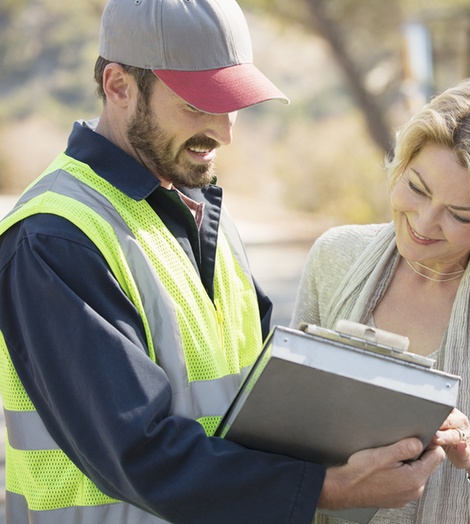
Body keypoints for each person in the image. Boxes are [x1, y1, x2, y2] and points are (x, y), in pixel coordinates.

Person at [0, 0, 445, 522]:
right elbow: (138, 449)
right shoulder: (56, 238)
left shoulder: (198, 204)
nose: (225, 133)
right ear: (118, 85)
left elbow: (251, 395)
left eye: (231, 104)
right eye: (197, 106)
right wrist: (327, 488)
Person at [292, 77, 470, 524]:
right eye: (418, 188)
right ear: (402, 164)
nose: (425, 223)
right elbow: (292, 428)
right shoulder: (334, 257)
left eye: (460, 214)